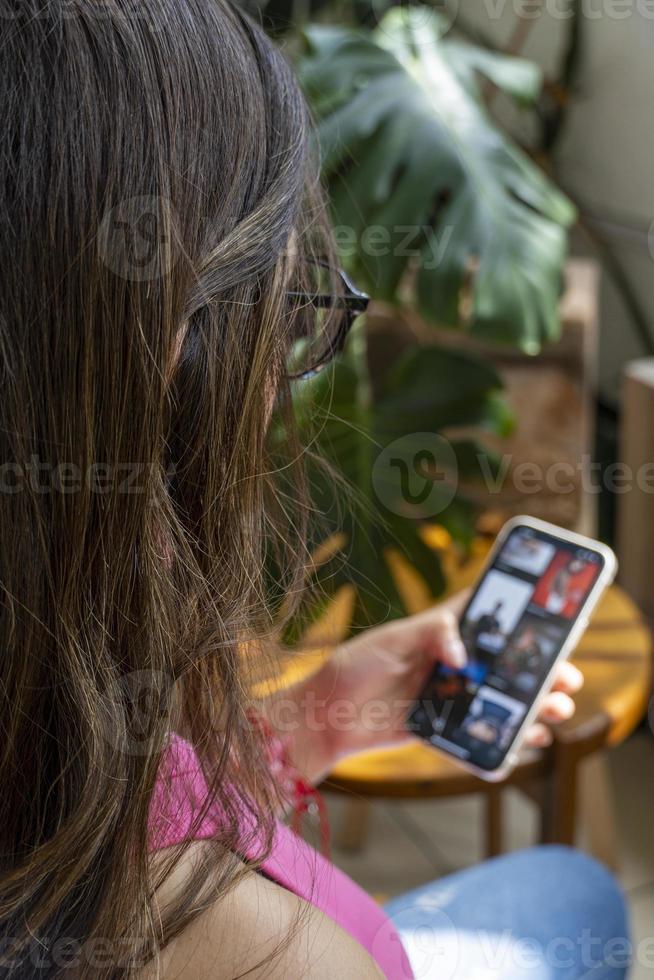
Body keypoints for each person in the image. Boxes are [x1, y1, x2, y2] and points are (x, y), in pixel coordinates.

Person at [0, 2, 629, 978]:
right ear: (171, 351)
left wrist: (320, 720)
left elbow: (130, 788)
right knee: (572, 890)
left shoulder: (49, 689)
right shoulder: (244, 946)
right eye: (289, 313)